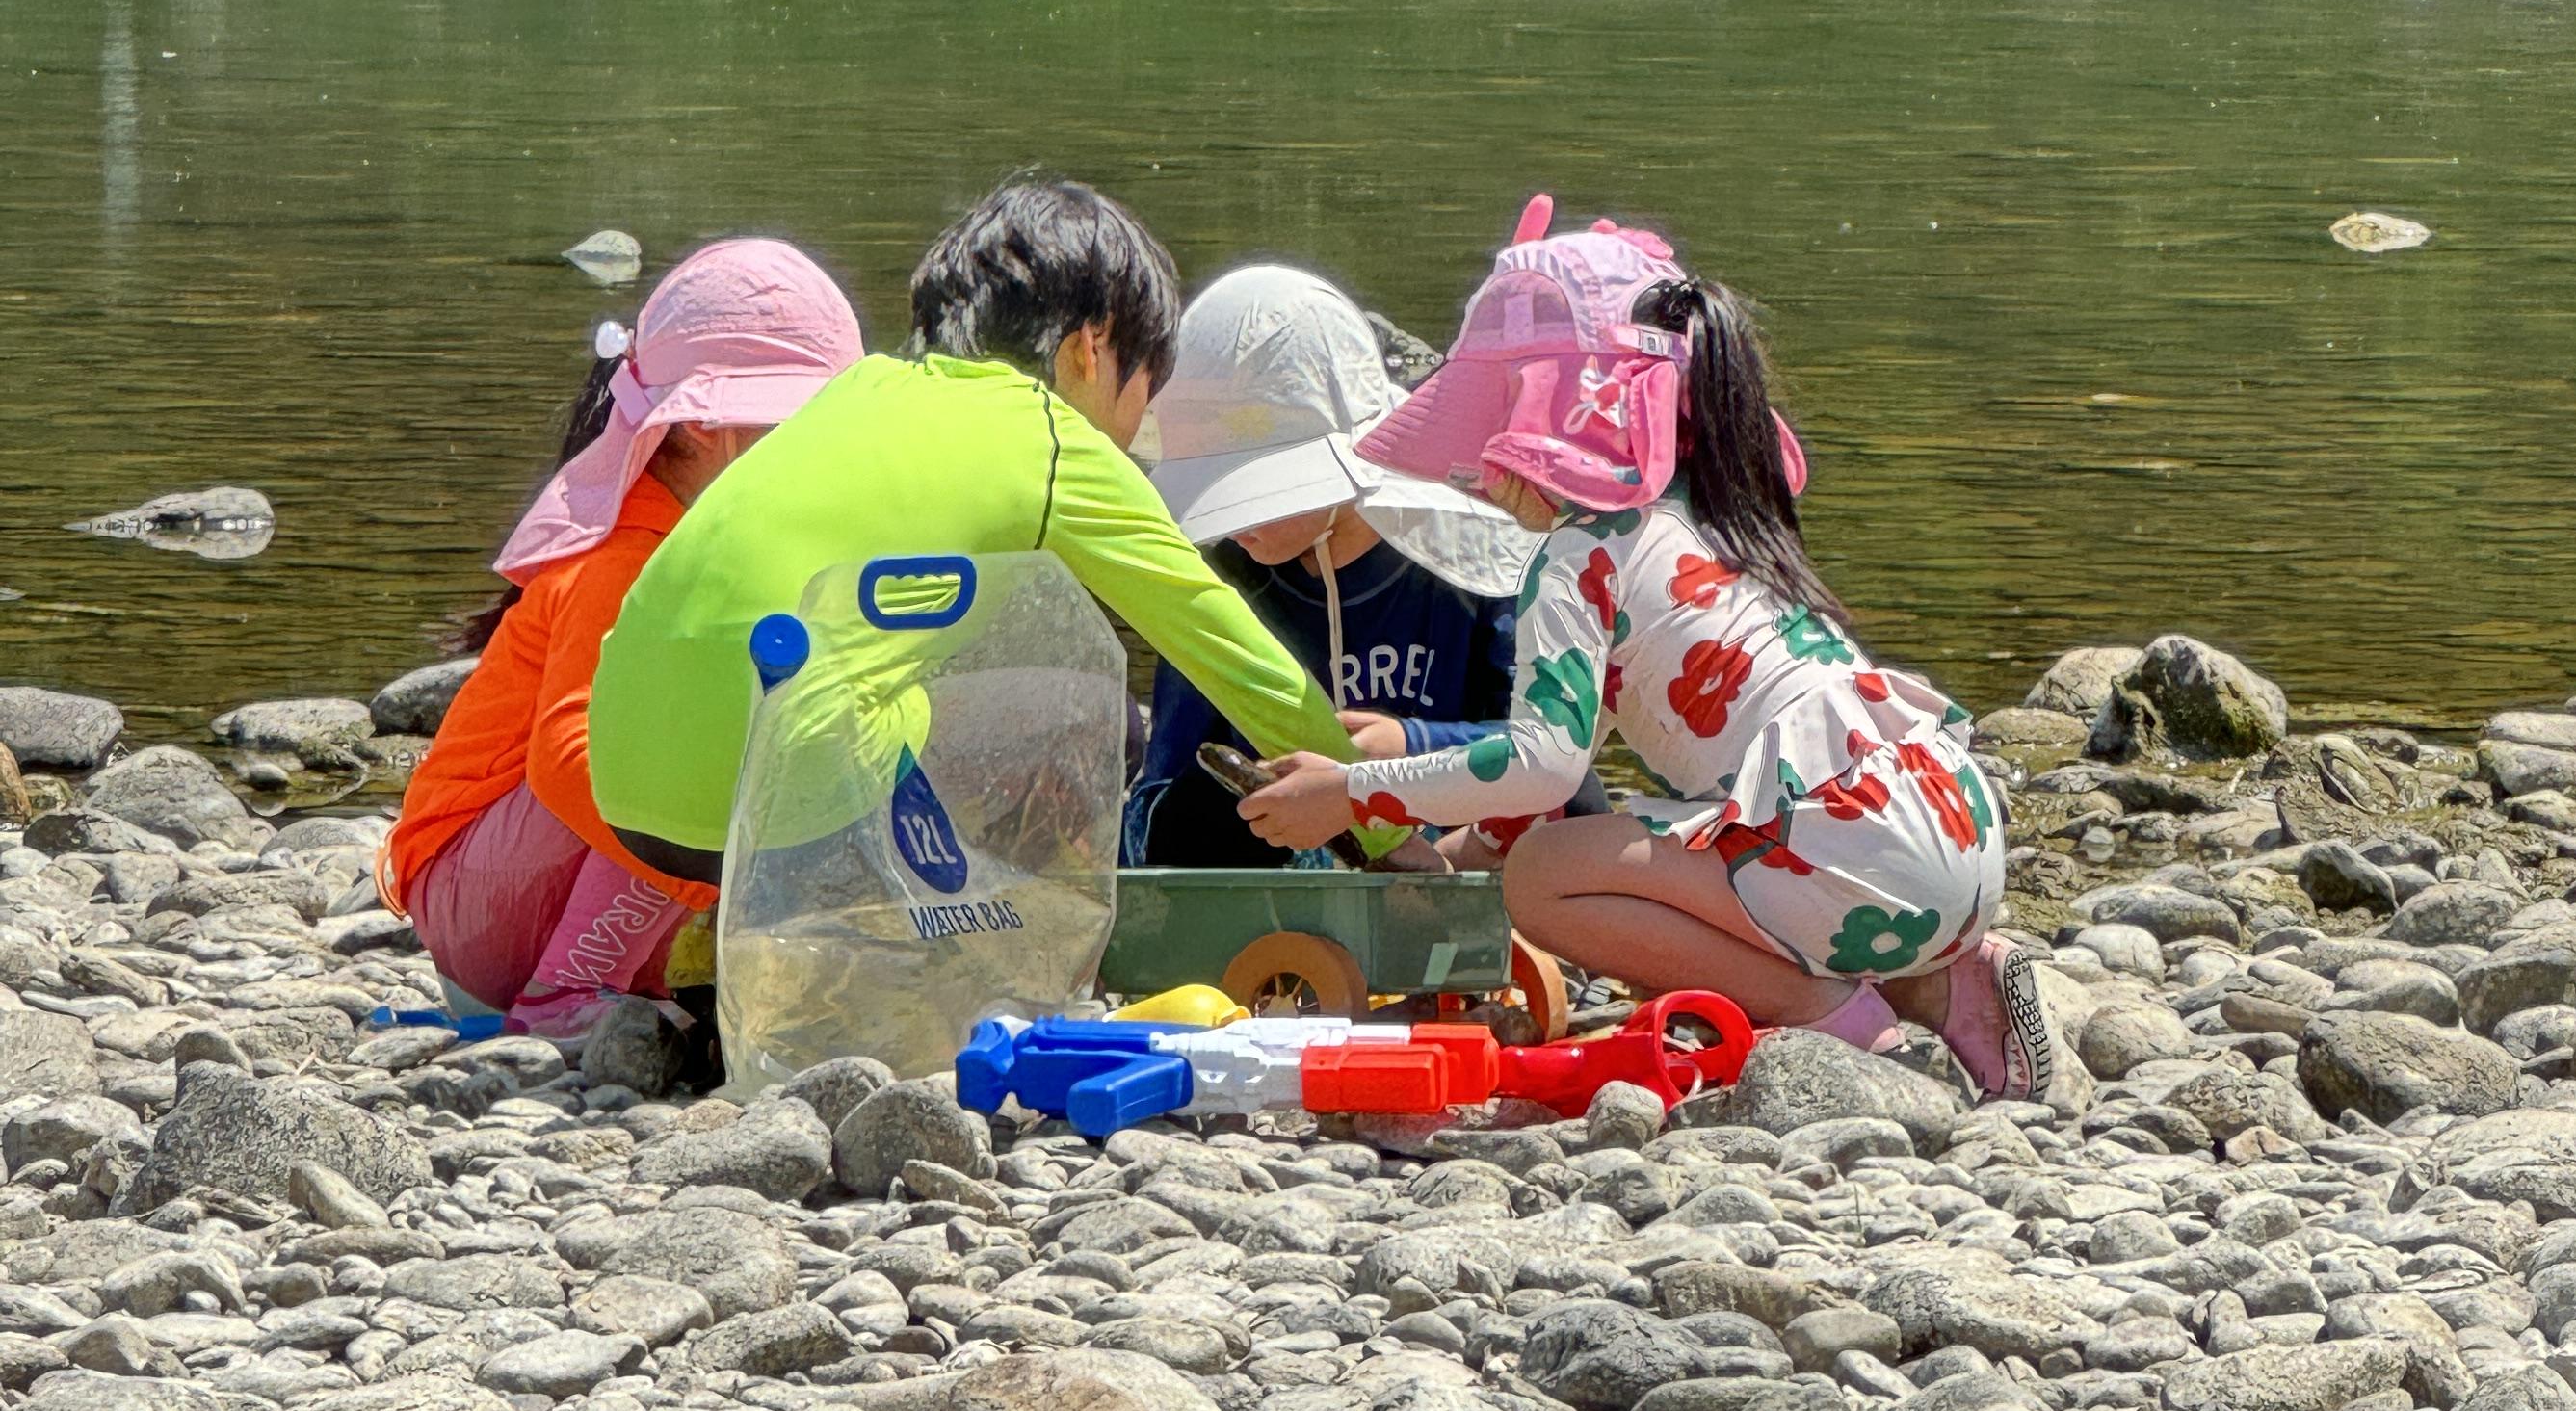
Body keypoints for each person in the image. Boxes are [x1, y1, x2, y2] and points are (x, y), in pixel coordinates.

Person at [1240, 196, 2049, 1096]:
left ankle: (1835, 1019)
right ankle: (1948, 984)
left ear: (1547, 424)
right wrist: (1459, 847)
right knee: (1599, 842)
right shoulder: (1715, 511)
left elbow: (1545, 767)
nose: (1477, 471)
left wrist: (1350, 791)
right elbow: (1551, 770)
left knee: (1546, 881)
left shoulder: (1581, 553)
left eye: (1487, 436)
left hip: (1849, 857)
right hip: (1951, 825)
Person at [583, 177, 1358, 880]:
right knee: (1091, 710)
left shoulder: (858, 390)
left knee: (943, 639)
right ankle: (995, 963)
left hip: (625, 782)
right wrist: (1378, 818)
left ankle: (770, 939)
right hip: (785, 796)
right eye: (1141, 394)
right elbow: (1221, 641)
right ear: (1091, 348)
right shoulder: (1049, 436)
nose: (1131, 432)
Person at [381, 238, 864, 1040]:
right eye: (798, 427)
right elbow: (565, 757)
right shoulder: (623, 555)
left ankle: (623, 978)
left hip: (574, 883)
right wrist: (723, 869)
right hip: (479, 895)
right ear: (700, 427)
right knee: (696, 757)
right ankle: (563, 992)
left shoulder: (730, 541)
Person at [1127, 262, 1538, 863]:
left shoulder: (1469, 560)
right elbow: (1165, 788)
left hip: (1454, 850)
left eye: (1252, 492)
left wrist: (1408, 747)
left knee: (1569, 800)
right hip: (1283, 871)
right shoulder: (1222, 578)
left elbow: (1546, 748)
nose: (1230, 521)